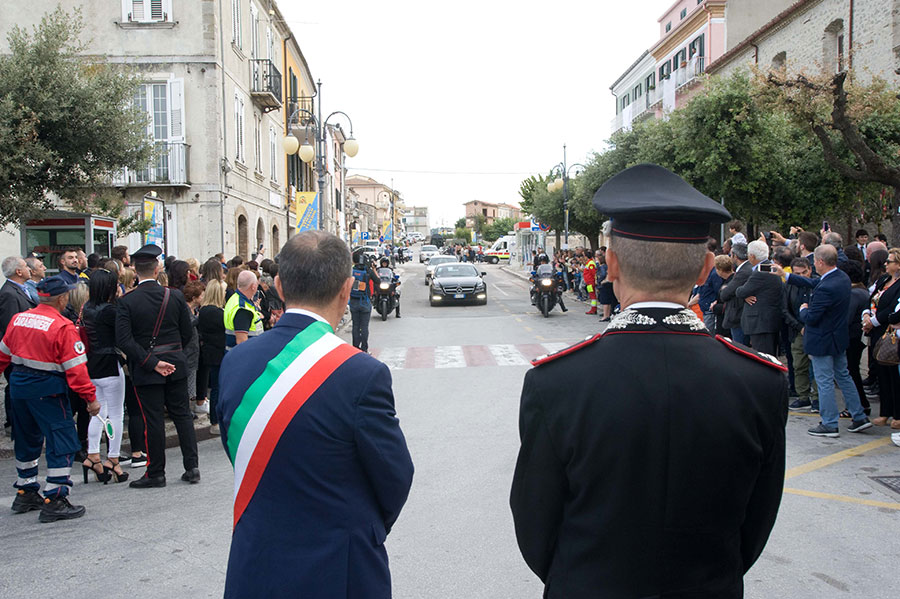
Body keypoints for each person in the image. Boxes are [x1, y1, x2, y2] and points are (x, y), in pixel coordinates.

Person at [511, 164, 787, 597]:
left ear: (612, 264)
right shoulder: (758, 381)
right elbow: (756, 523)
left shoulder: (558, 381)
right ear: (706, 269)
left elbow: (534, 521)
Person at [217, 230, 414, 598]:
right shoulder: (361, 373)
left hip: (254, 562)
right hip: (338, 568)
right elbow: (395, 476)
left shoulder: (235, 362)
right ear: (348, 287)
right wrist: (359, 529)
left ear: (277, 284)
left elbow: (239, 449)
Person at [0, 276, 100, 522]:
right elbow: (76, 370)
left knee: (26, 439)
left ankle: (26, 491)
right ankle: (55, 498)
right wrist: (90, 399)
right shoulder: (62, 327)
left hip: (19, 388)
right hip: (47, 390)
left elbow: (3, 354)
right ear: (63, 298)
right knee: (61, 442)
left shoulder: (19, 319)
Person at [116, 244, 200, 488]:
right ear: (156, 269)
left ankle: (156, 472)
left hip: (146, 367)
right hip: (175, 362)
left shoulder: (128, 301)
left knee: (152, 420)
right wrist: (172, 355)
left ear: (135, 271)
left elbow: (124, 340)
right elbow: (187, 332)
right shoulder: (173, 295)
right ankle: (192, 467)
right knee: (182, 415)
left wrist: (152, 362)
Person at [772, 245, 872, 437]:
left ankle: (829, 423)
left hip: (822, 339)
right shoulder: (841, 278)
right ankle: (858, 416)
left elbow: (811, 317)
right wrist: (786, 276)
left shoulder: (827, 286)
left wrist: (803, 309)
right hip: (837, 337)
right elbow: (815, 283)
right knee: (843, 375)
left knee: (824, 381)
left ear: (819, 262)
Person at [82, 268, 128, 484]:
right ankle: (113, 458)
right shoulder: (110, 311)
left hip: (92, 363)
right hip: (109, 362)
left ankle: (92, 454)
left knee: (98, 411)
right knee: (116, 414)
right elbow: (122, 336)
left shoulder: (87, 307)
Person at [1, 256, 38, 439]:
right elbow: (11, 326)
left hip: (25, 350)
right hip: (17, 353)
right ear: (18, 271)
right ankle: (16, 425)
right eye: (25, 266)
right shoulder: (9, 293)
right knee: (14, 388)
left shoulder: (21, 290)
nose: (29, 269)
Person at [783, 258, 819, 412]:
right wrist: (799, 327)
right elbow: (784, 310)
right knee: (799, 365)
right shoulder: (789, 287)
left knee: (818, 366)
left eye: (804, 272)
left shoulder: (817, 284)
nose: (802, 276)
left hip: (816, 328)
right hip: (798, 329)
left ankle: (817, 398)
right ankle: (803, 396)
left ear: (810, 269)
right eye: (798, 273)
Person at [735, 240, 784, 356]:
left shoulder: (761, 271)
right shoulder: (769, 266)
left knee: (764, 357)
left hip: (761, 322)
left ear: (752, 256)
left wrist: (743, 293)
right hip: (768, 320)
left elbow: (741, 291)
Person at [197, 280, 226, 436]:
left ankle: (214, 420)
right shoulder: (218, 313)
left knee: (215, 387)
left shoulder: (203, 311)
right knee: (218, 388)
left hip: (208, 351)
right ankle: (216, 421)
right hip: (219, 352)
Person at [719, 242, 751, 344]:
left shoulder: (743, 272)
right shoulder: (746, 268)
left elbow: (725, 294)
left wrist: (725, 289)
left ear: (735, 256)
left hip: (738, 317)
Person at [224, 270, 263, 349]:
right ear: (253, 286)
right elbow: (241, 342)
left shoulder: (234, 298)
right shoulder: (243, 310)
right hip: (246, 356)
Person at [349, 248, 378, 352]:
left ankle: (355, 350)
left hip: (353, 302)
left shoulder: (351, 271)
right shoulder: (368, 271)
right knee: (364, 327)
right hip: (365, 302)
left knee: (355, 326)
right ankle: (364, 349)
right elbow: (378, 281)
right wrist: (373, 268)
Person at [583, 249, 597, 315]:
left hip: (590, 282)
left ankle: (593, 309)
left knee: (592, 296)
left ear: (586, 256)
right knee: (591, 295)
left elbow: (593, 273)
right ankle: (593, 308)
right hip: (589, 282)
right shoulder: (589, 262)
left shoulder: (591, 263)